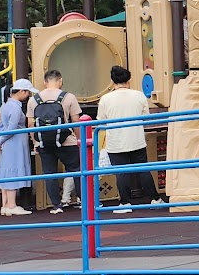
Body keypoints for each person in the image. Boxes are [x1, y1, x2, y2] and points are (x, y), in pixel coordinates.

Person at [96, 65, 156, 213]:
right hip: (136, 139)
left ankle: (125, 202)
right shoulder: (139, 95)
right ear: (128, 80)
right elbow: (146, 118)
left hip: (116, 141)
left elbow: (101, 122)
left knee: (121, 172)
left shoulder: (105, 99)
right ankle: (155, 198)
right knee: (143, 169)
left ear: (112, 81)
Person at [33, 70, 82, 214]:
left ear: (45, 82)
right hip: (67, 141)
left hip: (43, 143)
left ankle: (56, 205)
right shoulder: (69, 97)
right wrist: (79, 139)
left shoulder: (34, 99)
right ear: (60, 81)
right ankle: (83, 201)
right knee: (77, 170)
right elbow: (76, 120)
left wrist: (36, 141)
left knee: (50, 173)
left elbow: (31, 124)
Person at [0, 79, 37, 216]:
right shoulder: (16, 108)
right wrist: (0, 141)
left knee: (6, 170)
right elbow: (11, 129)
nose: (28, 95)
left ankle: (5, 204)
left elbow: (2, 127)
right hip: (16, 143)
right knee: (14, 170)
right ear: (22, 91)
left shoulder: (5, 106)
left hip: (8, 143)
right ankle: (12, 205)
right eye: (27, 92)